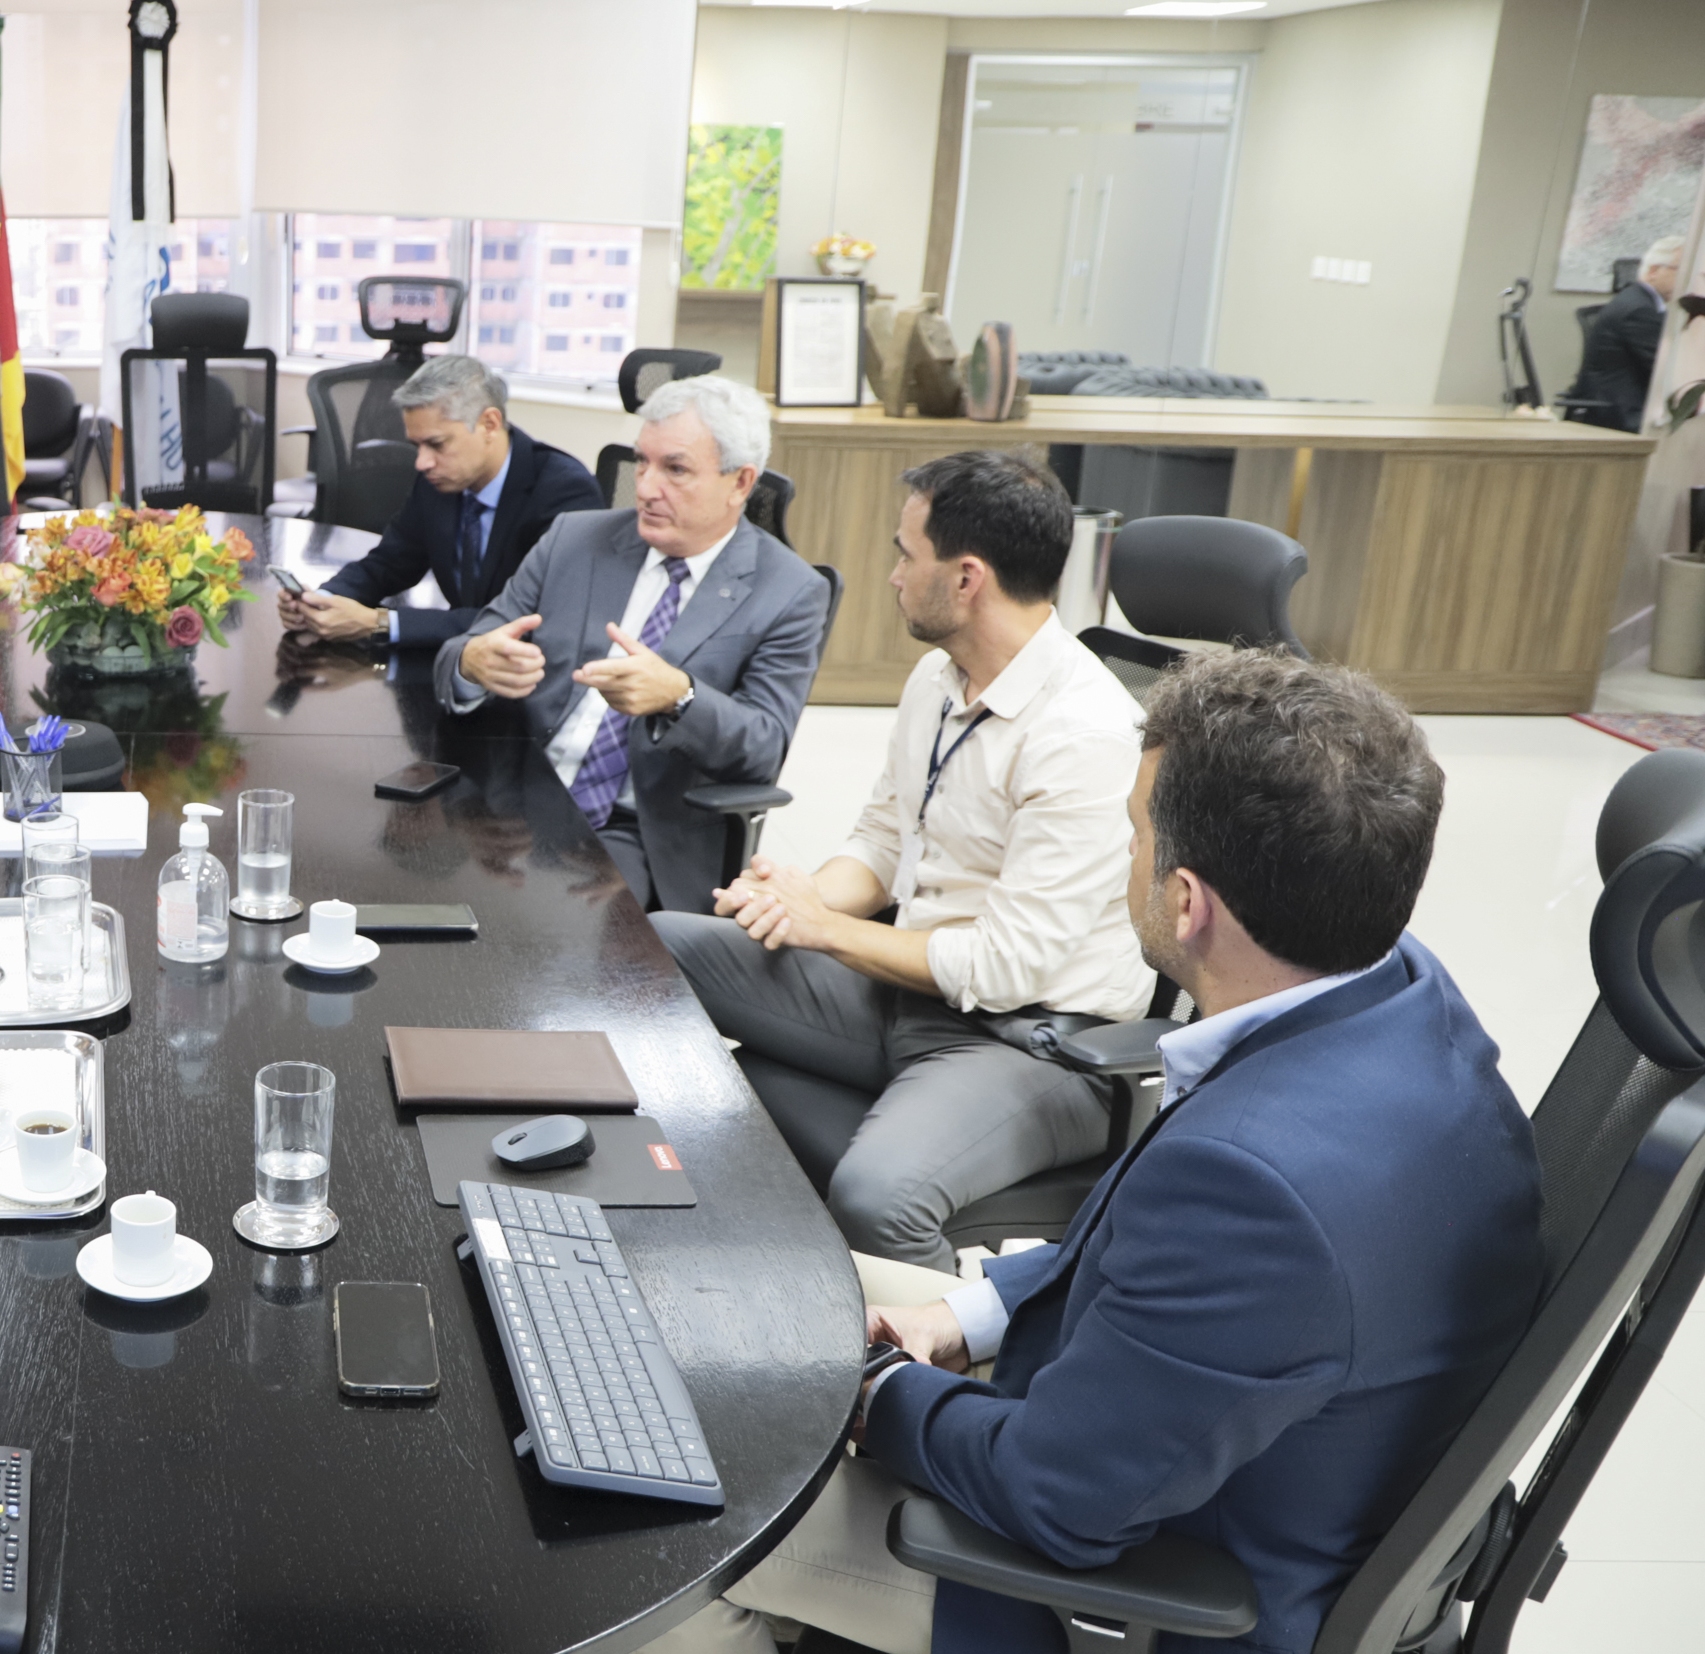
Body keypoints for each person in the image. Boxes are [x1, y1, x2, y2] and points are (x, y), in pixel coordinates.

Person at [619, 649, 1543, 1654]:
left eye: (1133, 834)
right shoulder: (1398, 996)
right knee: (743, 1288)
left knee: (651, 1517)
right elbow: (1154, 1261)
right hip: (1190, 1441)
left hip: (1150, 1625)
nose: (1127, 861)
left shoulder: (1259, 1187)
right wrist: (976, 1308)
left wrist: (877, 1392)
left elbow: (1061, 1500)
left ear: (1190, 900)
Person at [657, 449, 1145, 1270]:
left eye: (903, 554)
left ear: (966, 579)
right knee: (660, 951)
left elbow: (1007, 965)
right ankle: (720, 1257)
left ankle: (937, 1378)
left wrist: (824, 931)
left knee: (878, 1197)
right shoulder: (937, 677)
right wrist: (801, 897)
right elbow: (883, 843)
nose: (889, 576)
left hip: (1031, 1043)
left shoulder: (1085, 733)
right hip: (907, 992)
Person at [434, 374, 829, 914]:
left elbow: (762, 749)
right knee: (416, 889)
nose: (644, 487)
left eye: (675, 469)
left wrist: (680, 697)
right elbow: (463, 650)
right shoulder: (572, 540)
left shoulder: (790, 592)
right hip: (519, 796)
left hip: (638, 828)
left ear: (740, 483)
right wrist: (472, 662)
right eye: (642, 462)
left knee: (572, 946)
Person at [281, 353, 601, 651]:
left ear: (489, 424)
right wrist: (322, 600)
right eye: (417, 445)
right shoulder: (439, 481)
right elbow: (390, 562)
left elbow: (531, 620)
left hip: (525, 679)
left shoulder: (564, 492)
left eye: (436, 444)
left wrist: (379, 623)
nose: (421, 462)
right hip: (454, 663)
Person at [1561, 235, 1684, 432]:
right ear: (1654, 270)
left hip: (1618, 409)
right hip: (1620, 416)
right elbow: (1667, 369)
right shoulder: (1639, 310)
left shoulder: (1637, 301)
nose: (1688, 279)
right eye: (1682, 270)